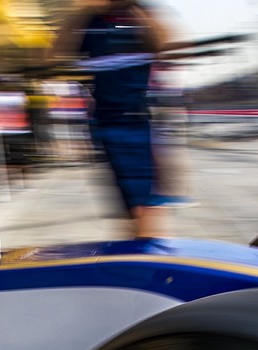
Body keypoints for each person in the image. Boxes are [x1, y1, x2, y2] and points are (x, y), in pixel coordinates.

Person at [50, 0, 173, 238]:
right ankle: (137, 260)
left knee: (147, 208)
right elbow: (53, 55)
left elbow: (164, 45)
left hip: (137, 121)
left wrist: (136, 12)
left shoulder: (140, 14)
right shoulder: (90, 21)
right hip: (105, 122)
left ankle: (148, 260)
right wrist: (81, 13)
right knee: (128, 208)